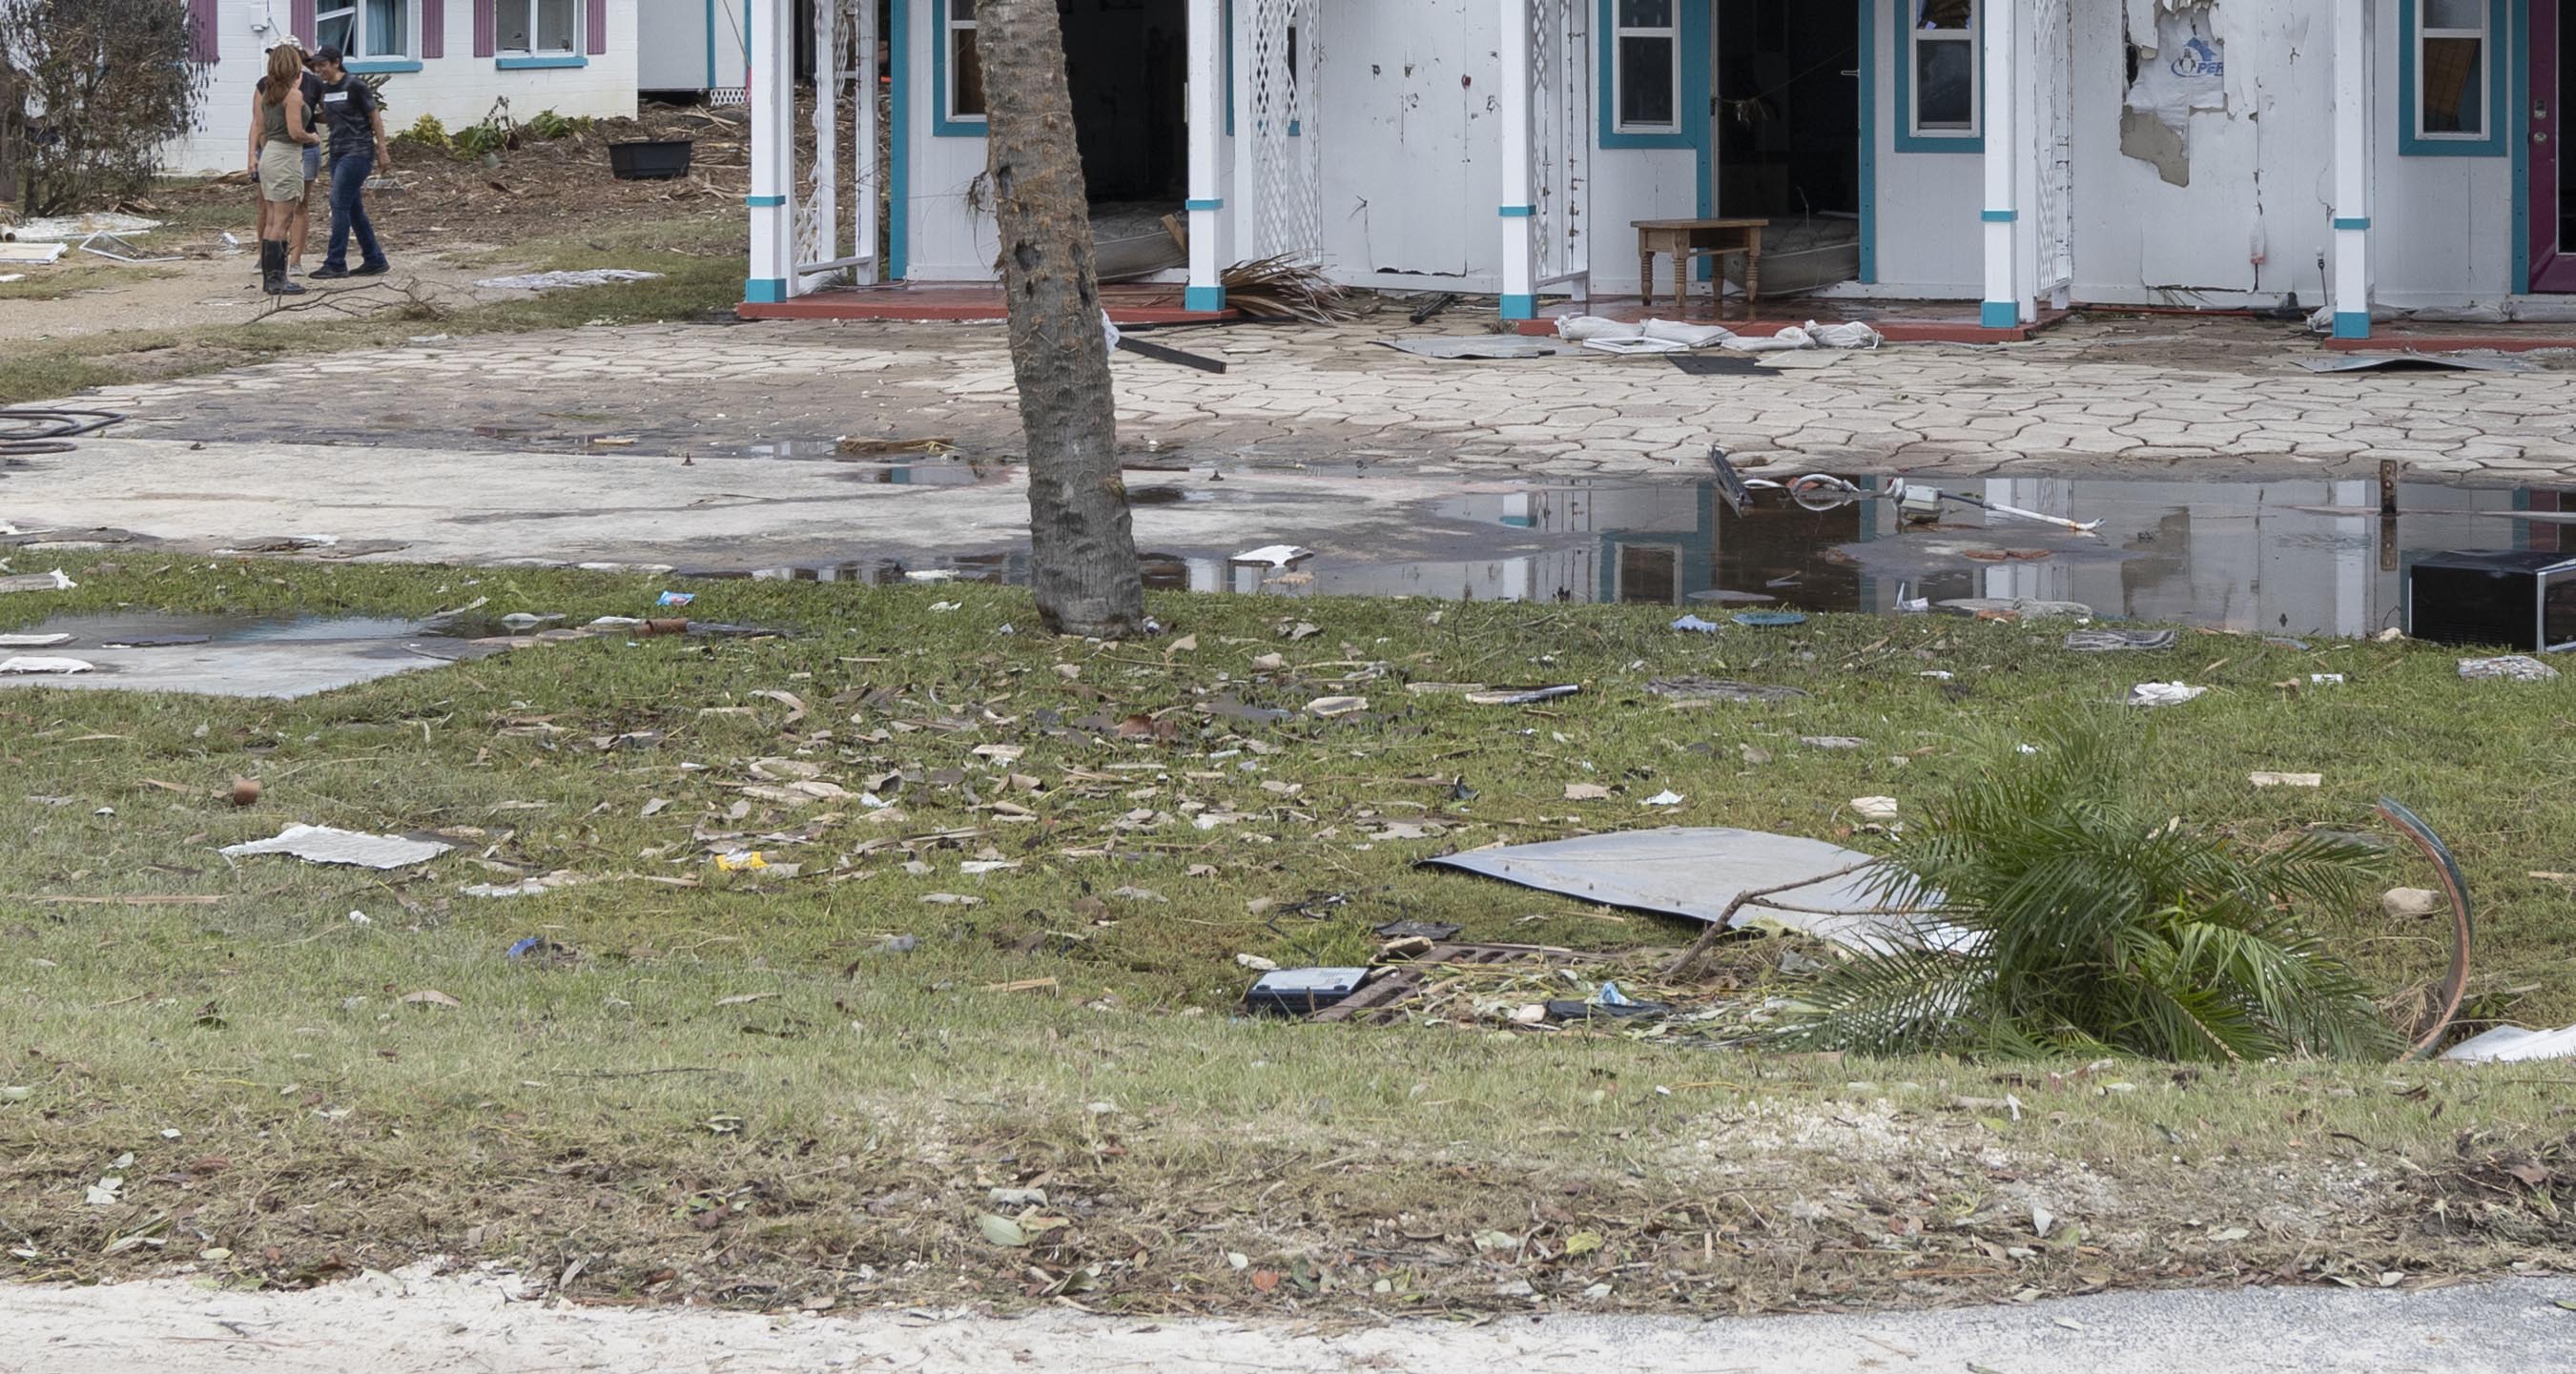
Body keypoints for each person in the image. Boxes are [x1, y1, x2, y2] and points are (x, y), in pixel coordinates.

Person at [305, 47, 391, 280]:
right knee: (353, 208)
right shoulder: (325, 88)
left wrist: (382, 148)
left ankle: (336, 262)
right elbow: (330, 114)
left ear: (336, 62)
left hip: (358, 151)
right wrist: (306, 117)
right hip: (337, 151)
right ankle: (374, 259)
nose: (318, 69)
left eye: (323, 64)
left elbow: (374, 116)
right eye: (316, 65)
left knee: (338, 202)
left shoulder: (354, 85)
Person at [245, 44, 320, 297]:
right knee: (283, 220)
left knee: (271, 218)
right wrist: (313, 138)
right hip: (286, 155)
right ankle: (279, 280)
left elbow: (261, 127)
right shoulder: (293, 96)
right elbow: (295, 131)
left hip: (270, 153)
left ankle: (271, 277)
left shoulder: (267, 94)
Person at [290, 50, 326, 277]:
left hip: (308, 148)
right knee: (275, 206)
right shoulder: (267, 83)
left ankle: (295, 260)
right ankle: (269, 257)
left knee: (301, 203)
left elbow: (327, 108)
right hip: (282, 148)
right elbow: (259, 122)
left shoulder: (313, 82)